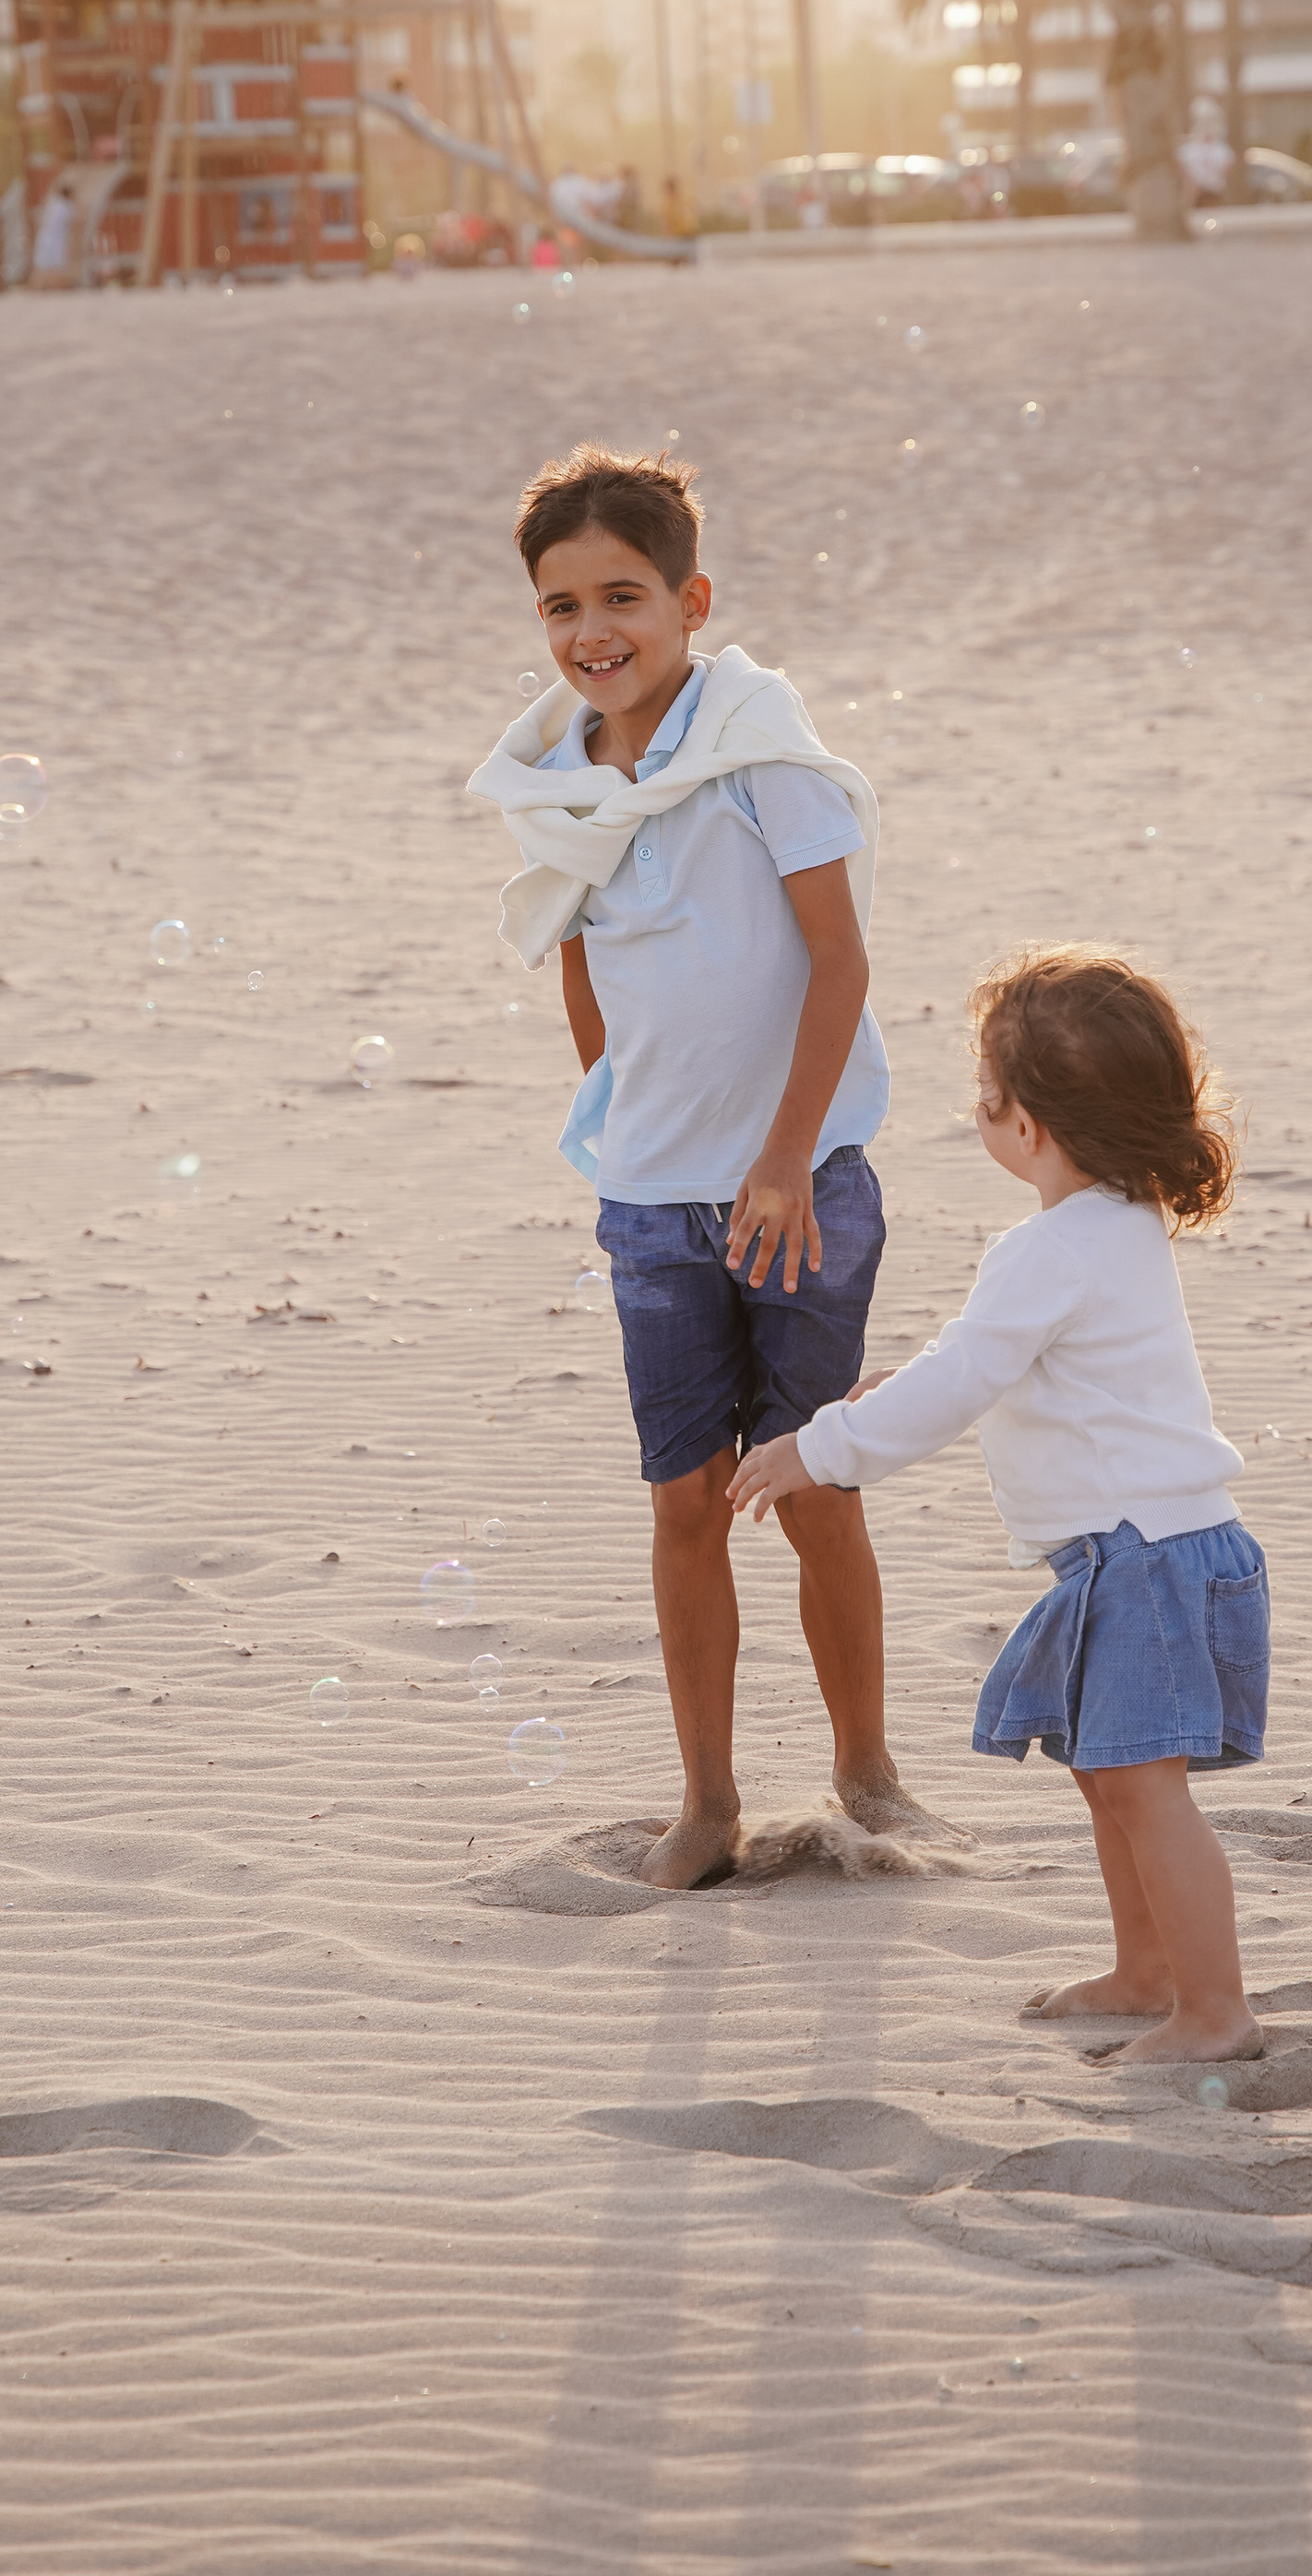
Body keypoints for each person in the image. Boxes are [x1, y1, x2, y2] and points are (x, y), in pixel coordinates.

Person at [469, 445, 916, 1890]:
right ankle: (710, 1802)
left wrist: (781, 1157)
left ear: (690, 601)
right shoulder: (561, 786)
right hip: (653, 1201)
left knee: (817, 1486)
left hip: (803, 1186)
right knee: (684, 1502)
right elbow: (580, 963)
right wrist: (626, 1123)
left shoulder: (763, 758)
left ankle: (867, 1770)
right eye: (561, 606)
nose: (592, 630)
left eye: (624, 596)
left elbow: (838, 961)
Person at [730, 945, 1265, 2067]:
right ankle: (1145, 1972)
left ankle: (1214, 2012)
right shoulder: (1118, 1221)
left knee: (1144, 1791)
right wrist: (899, 1386)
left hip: (1144, 1560)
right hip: (1147, 1552)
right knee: (1107, 1773)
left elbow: (968, 1375)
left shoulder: (1049, 1249)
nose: (978, 1111)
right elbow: (1005, 1362)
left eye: (985, 1094)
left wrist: (818, 1450)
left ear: (1026, 1126)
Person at [30, 175, 79, 289]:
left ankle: (36, 287)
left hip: (44, 237)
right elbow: (76, 220)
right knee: (56, 266)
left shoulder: (53, 204)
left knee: (42, 266)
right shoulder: (67, 206)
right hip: (57, 240)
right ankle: (57, 287)